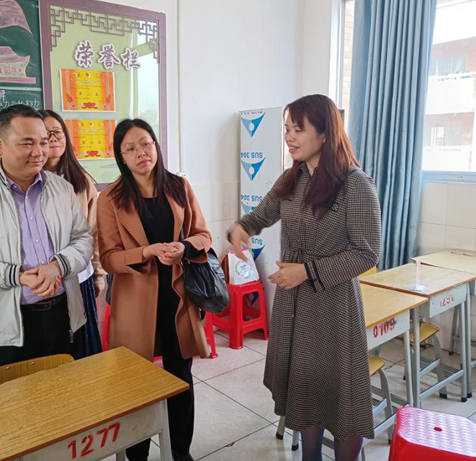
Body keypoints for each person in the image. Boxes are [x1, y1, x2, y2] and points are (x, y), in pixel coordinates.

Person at [228, 95, 381, 461]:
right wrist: (241, 228)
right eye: (286, 129)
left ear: (325, 133)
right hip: (293, 302)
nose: (289, 137)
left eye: (298, 129)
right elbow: (260, 215)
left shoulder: (355, 184)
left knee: (341, 394)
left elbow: (367, 253)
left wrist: (308, 271)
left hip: (332, 304)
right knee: (305, 387)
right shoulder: (293, 178)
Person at [0, 105, 93, 369]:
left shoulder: (63, 189)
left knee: (65, 392)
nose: (38, 152)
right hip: (6, 328)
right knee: (13, 395)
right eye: (27, 143)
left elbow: (83, 240)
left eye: (43, 142)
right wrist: (18, 277)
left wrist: (57, 266)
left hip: (63, 317)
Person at [97, 118, 211, 461]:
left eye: (145, 143)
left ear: (156, 146)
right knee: (136, 384)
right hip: (135, 304)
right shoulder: (110, 198)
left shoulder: (179, 186)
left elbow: (203, 235)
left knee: (181, 378)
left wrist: (184, 247)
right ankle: (138, 455)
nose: (141, 153)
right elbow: (108, 258)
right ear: (121, 157)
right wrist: (145, 252)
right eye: (130, 149)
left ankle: (181, 452)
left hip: (178, 299)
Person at [39, 109, 106, 357]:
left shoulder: (82, 181)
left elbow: (95, 232)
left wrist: (98, 274)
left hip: (78, 275)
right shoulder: (26, 182)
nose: (53, 138)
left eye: (57, 132)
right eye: (46, 134)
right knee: (50, 350)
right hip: (42, 280)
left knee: (81, 348)